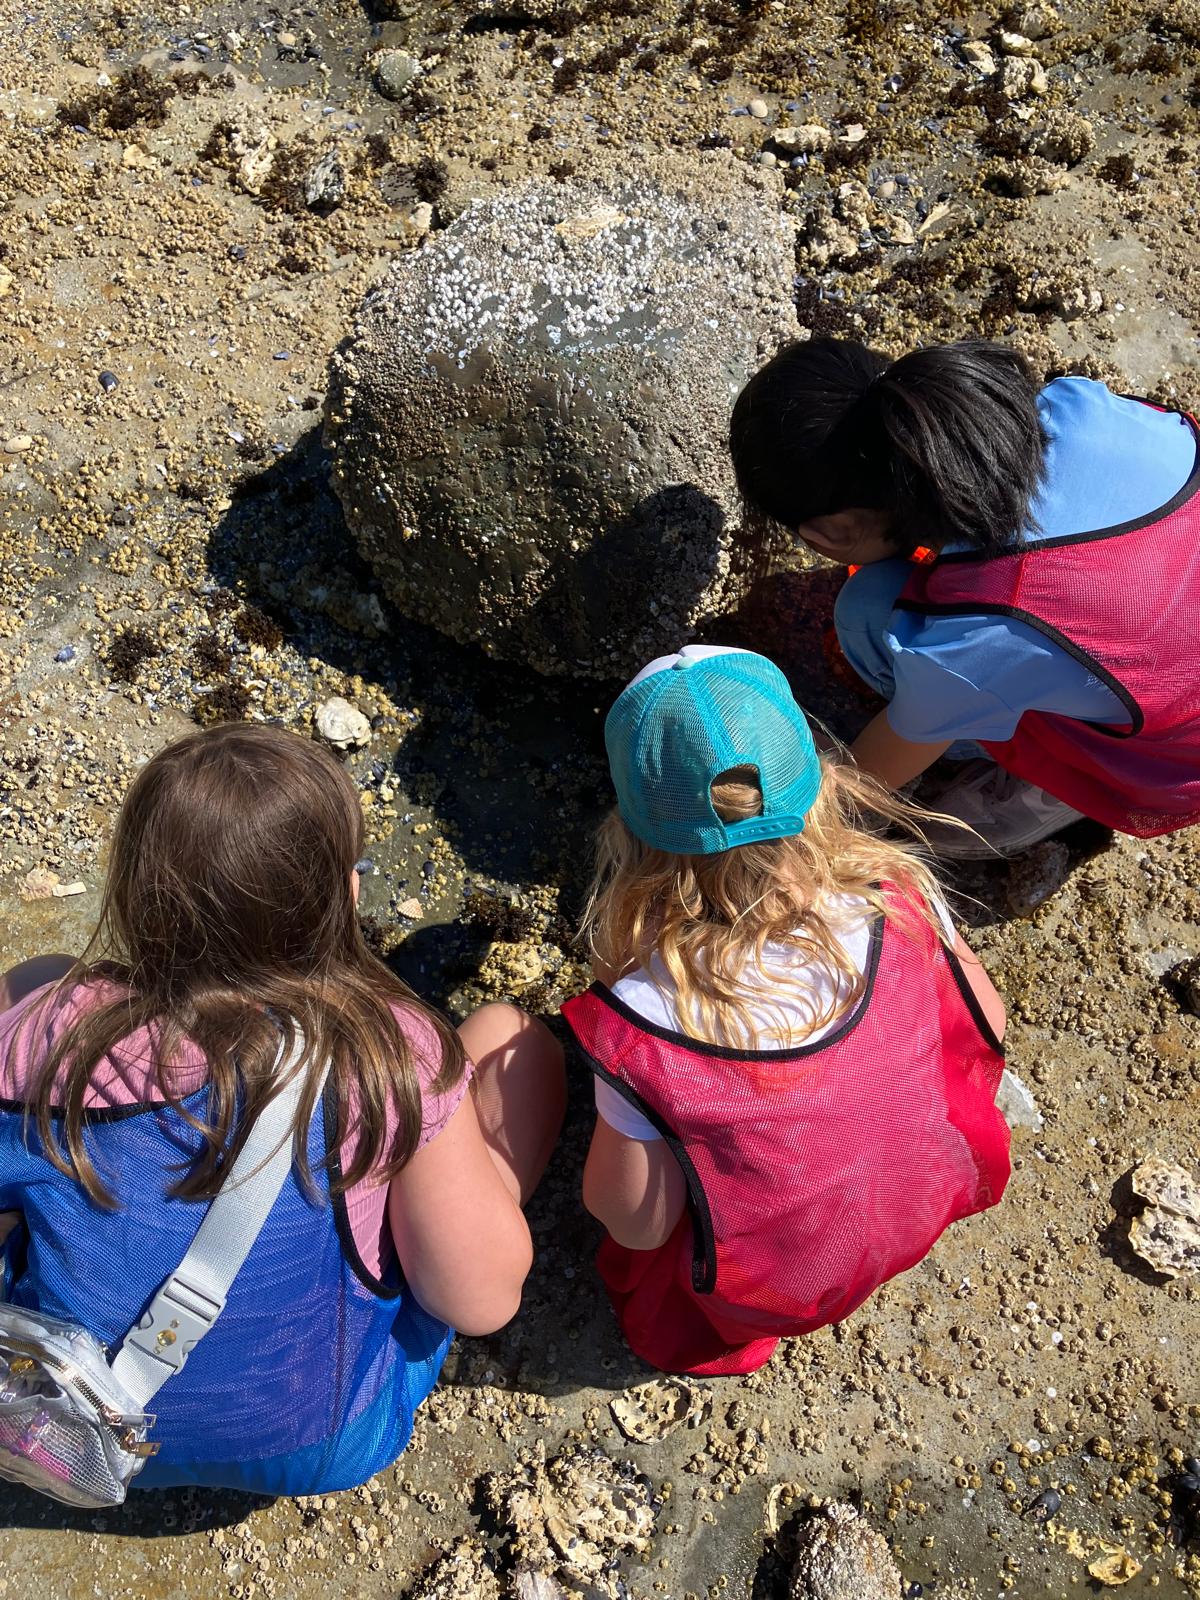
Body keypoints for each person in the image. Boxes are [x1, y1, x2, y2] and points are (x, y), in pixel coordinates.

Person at [0, 723, 564, 1494]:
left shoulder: (49, 1037)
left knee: (40, 979)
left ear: (134, 892)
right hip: (316, 1444)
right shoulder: (390, 1049)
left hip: (77, 1427)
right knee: (510, 1037)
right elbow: (480, 1305)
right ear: (346, 896)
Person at [560, 645, 1011, 1376]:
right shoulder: (899, 897)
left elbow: (636, 1222)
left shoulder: (644, 1018)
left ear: (629, 831)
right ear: (821, 779)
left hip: (772, 1292)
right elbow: (986, 1022)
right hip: (918, 1208)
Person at [729, 339, 1200, 855]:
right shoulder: (1073, 403)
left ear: (831, 533)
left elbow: (862, 786)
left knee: (866, 613)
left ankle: (1052, 789)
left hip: (1176, 760)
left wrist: (791, 811)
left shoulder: (982, 636)